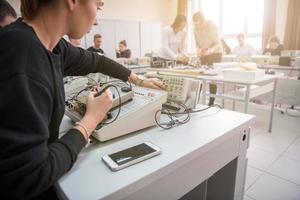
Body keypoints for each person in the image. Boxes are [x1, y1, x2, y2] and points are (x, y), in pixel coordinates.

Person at [0, 0, 163, 199]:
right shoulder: (22, 55)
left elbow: (97, 61)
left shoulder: (52, 46)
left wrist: (139, 80)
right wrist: (91, 120)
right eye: (98, 6)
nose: (96, 21)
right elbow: (29, 177)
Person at [193, 11, 222, 106]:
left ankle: (211, 103)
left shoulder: (211, 25)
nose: (198, 26)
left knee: (212, 79)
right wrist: (198, 51)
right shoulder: (195, 29)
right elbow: (197, 43)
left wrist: (210, 50)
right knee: (199, 77)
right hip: (204, 53)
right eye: (196, 24)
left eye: (199, 23)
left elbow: (217, 44)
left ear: (203, 20)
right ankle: (195, 101)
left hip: (215, 53)